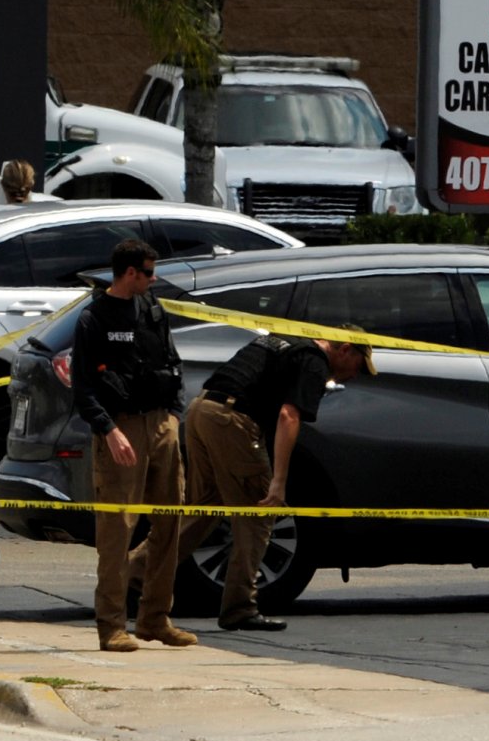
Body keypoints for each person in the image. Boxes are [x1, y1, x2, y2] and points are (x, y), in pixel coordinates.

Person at [174, 330, 374, 632]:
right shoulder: (314, 362)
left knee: (204, 509)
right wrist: (278, 481)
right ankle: (239, 608)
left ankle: (134, 575)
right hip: (232, 422)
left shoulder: (289, 339)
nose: (355, 374)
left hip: (203, 410)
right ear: (345, 349)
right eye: (359, 364)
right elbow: (288, 416)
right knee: (259, 515)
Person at [73, 240, 197, 653]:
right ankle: (111, 625)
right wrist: (109, 429)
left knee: (169, 521)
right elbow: (84, 386)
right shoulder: (94, 318)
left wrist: (174, 416)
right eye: (147, 271)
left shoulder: (153, 310)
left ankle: (155, 618)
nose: (153, 277)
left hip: (160, 422)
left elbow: (173, 363)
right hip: (120, 428)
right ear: (128, 272)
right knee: (116, 531)